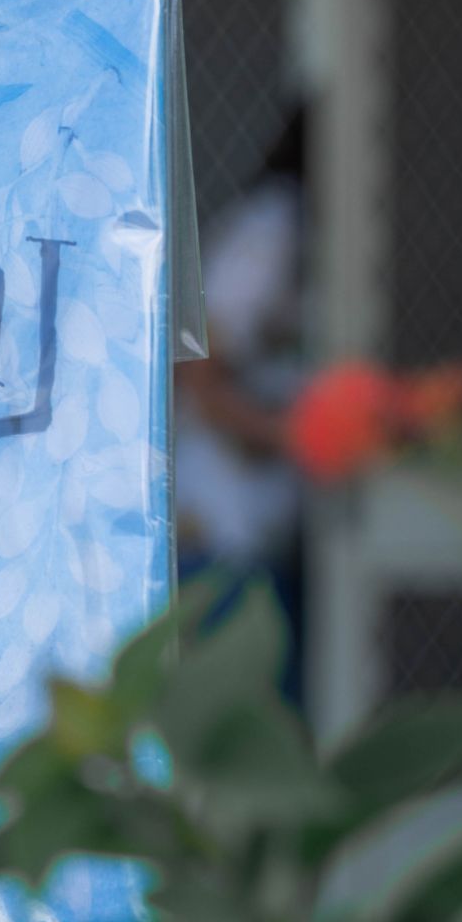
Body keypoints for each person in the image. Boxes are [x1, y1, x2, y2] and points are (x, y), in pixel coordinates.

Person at [175, 105, 308, 675]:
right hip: (226, 533)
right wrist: (295, 436)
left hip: (264, 535)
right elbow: (198, 367)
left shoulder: (307, 227)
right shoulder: (274, 226)